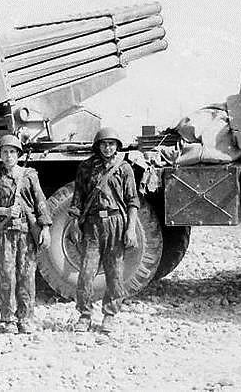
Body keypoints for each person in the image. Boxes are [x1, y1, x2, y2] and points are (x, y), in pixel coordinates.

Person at [68, 127, 140, 333]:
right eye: (104, 144)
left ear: (117, 146)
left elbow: (132, 201)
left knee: (115, 272)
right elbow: (78, 199)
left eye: (111, 144)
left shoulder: (124, 168)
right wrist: (74, 224)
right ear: (97, 146)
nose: (108, 148)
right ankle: (84, 315)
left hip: (116, 223)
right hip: (92, 225)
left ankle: (110, 315)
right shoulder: (86, 167)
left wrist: (131, 229)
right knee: (86, 272)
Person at [0, 135, 52, 334]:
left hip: (26, 233)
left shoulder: (29, 175)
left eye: (12, 152)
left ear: (18, 154)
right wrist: (4, 211)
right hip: (5, 233)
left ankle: (26, 317)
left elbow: (40, 202)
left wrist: (45, 228)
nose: (8, 156)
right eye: (5, 152)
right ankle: (8, 319)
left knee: (27, 276)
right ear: (0, 155)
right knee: (6, 276)